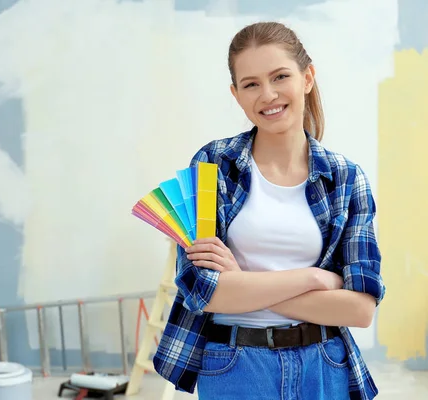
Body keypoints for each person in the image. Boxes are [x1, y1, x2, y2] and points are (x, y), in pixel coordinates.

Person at [153, 21, 385, 399]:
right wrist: (313, 278)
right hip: (234, 366)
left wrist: (241, 282)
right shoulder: (213, 165)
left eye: (280, 76)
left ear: (307, 77)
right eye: (251, 84)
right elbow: (205, 294)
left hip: (324, 366)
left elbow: (360, 310)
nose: (268, 94)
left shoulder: (346, 178)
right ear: (236, 94)